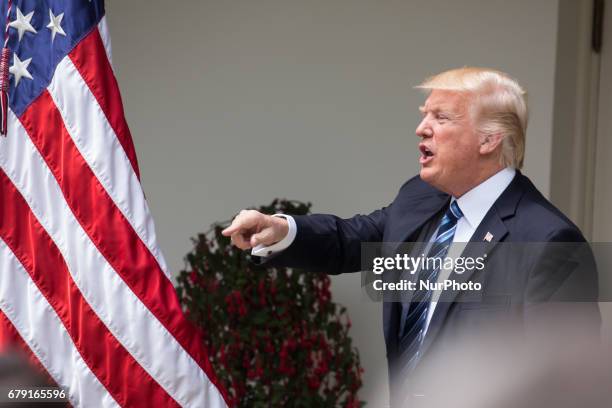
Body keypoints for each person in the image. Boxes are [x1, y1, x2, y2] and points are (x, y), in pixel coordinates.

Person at [222, 67, 600, 406]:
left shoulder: (550, 243)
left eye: (441, 117)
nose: (422, 129)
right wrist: (282, 230)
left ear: (488, 140)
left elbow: (563, 389)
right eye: (424, 116)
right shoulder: (419, 198)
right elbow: (351, 239)